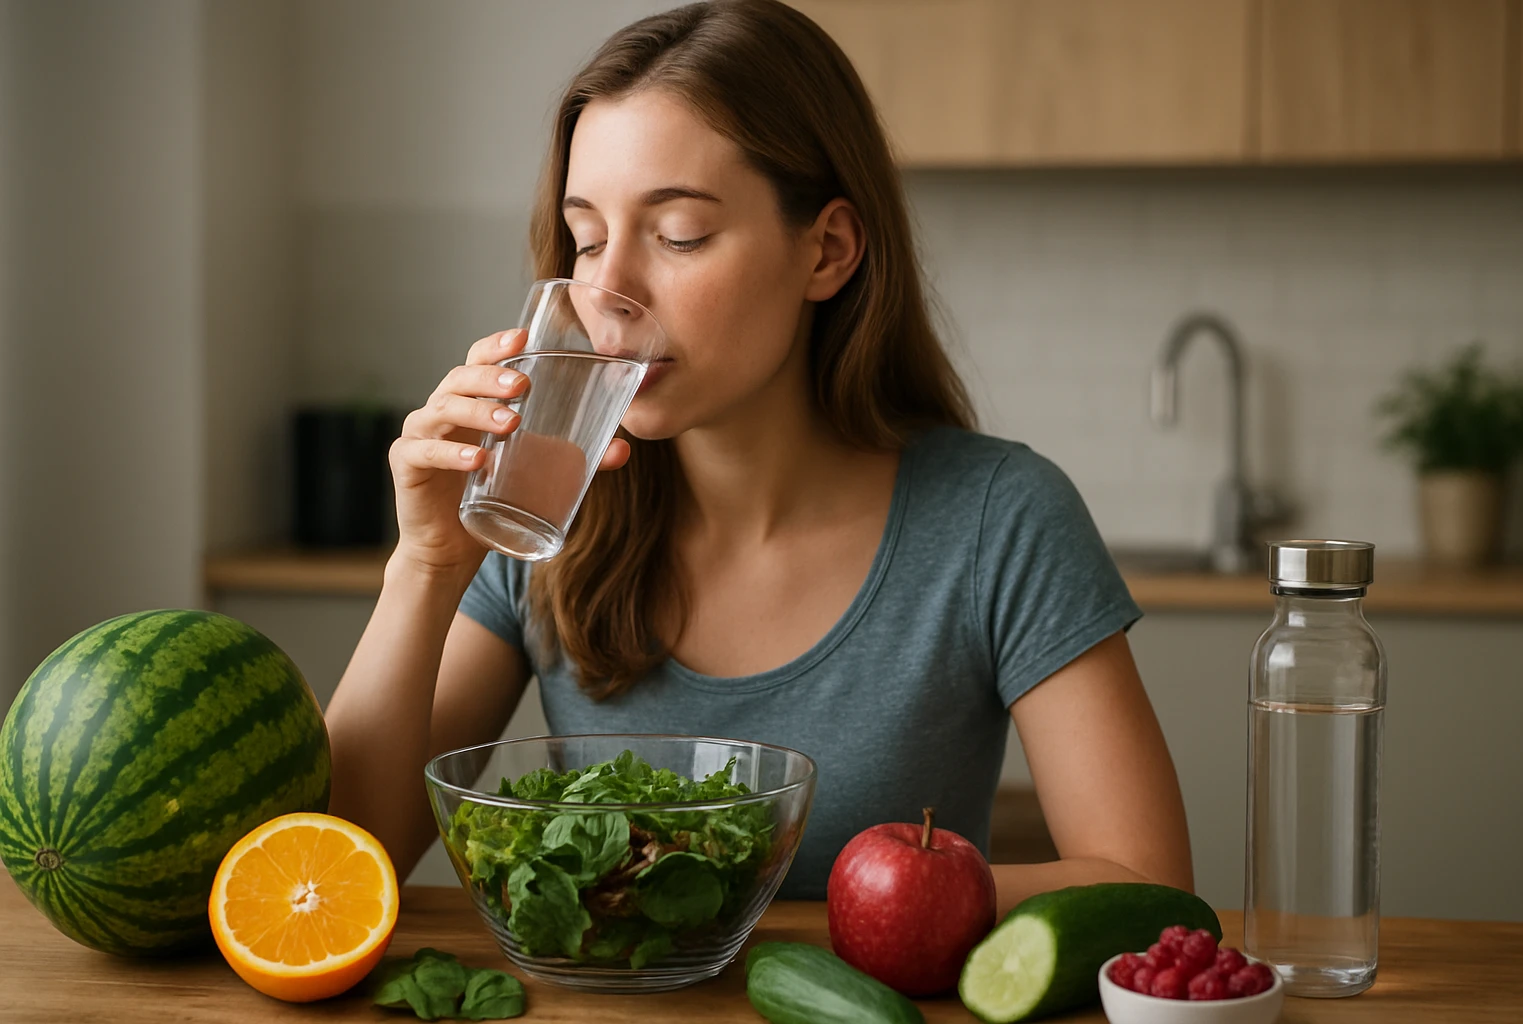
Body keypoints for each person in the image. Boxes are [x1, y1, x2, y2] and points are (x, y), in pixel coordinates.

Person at [325, 0, 1193, 912]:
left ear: (827, 251)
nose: (608, 290)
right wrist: (425, 566)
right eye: (587, 240)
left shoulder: (998, 519)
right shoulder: (550, 509)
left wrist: (808, 913)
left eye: (679, 235)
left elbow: (1148, 885)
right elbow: (335, 867)